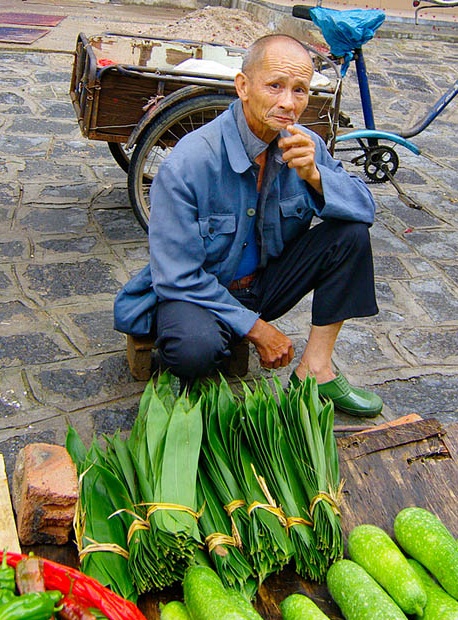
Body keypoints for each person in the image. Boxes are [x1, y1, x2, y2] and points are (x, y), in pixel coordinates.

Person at [113, 33, 383, 417]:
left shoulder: (304, 144)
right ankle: (190, 364)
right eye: (275, 86)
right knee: (194, 351)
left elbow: (365, 208)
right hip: (200, 292)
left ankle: (316, 371)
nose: (288, 103)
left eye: (300, 90)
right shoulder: (189, 162)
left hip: (264, 283)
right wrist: (259, 331)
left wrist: (315, 175)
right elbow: (175, 276)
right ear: (243, 86)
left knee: (350, 234)